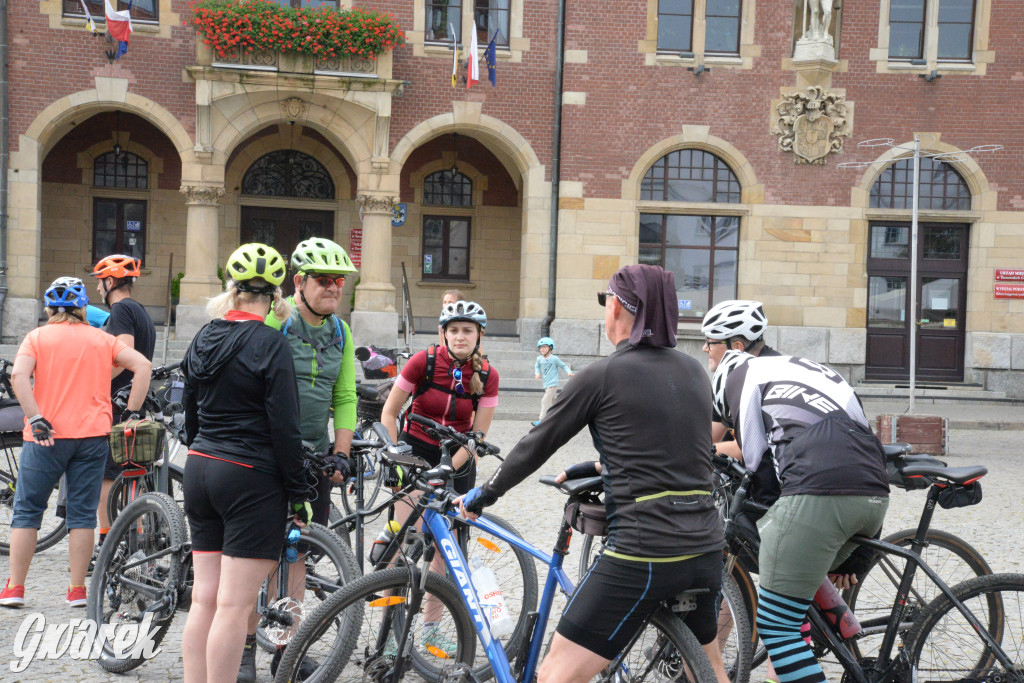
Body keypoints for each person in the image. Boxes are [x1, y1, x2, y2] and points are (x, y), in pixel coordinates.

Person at [457, 265, 726, 683]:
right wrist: (601, 466)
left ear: (617, 306)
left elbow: (535, 446)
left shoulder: (601, 375)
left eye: (607, 301)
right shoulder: (694, 372)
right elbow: (677, 449)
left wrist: (483, 495)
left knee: (554, 675)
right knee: (708, 669)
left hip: (642, 550)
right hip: (706, 548)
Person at [712, 350, 890, 683]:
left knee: (777, 624)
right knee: (794, 580)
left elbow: (758, 466)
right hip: (875, 495)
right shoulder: (820, 374)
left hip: (821, 492)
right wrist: (860, 557)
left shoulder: (742, 379)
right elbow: (868, 443)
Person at [179, 243, 312, 683]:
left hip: (200, 466)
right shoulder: (271, 343)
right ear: (276, 297)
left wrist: (203, 443)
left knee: (204, 600)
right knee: (234, 607)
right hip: (249, 476)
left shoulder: (203, 337)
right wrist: (300, 490)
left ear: (231, 289)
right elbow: (285, 428)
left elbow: (191, 413)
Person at [238, 237, 358, 681]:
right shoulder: (275, 320)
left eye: (339, 281)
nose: (333, 287)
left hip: (313, 454)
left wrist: (340, 453)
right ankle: (246, 647)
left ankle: (284, 649)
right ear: (299, 282)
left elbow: (343, 395)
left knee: (298, 554)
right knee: (259, 556)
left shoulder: (341, 331)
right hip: (267, 454)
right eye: (324, 279)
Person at [0, 277, 151, 609]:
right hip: (92, 438)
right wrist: (131, 411)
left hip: (44, 437)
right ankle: (76, 590)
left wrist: (35, 415)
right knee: (82, 515)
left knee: (27, 511)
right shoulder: (101, 339)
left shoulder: (36, 337)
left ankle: (15, 588)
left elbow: (18, 376)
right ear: (83, 307)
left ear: (49, 309)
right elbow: (143, 365)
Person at [380, 300, 498, 649]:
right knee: (404, 541)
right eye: (454, 330)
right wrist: (397, 457)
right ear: (442, 333)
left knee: (445, 551)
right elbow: (390, 412)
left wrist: (450, 466)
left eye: (468, 330)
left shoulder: (488, 375)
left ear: (479, 336)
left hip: (459, 458)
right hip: (414, 451)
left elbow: (478, 436)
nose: (460, 336)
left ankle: (431, 629)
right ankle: (388, 632)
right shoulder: (424, 361)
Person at [91, 254, 156, 550]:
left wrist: (95, 382)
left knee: (106, 478)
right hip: (135, 401)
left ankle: (105, 542)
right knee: (130, 475)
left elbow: (124, 355)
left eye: (99, 284)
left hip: (119, 403)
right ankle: (134, 539)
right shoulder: (139, 310)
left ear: (109, 281)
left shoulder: (120, 311)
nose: (97, 291)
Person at [533, 336, 573, 425]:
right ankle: (562, 415)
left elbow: (563, 365)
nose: (542, 349)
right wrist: (537, 373)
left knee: (545, 400)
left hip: (553, 384)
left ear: (550, 347)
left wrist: (569, 372)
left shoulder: (554, 359)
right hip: (546, 384)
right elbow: (537, 366)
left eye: (544, 347)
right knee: (554, 402)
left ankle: (541, 419)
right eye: (540, 347)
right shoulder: (539, 359)